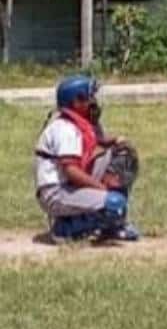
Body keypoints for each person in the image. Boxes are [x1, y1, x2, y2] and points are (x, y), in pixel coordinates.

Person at [34, 75, 140, 243]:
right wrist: (101, 189)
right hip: (56, 193)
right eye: (89, 97)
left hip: (67, 186)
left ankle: (115, 224)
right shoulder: (65, 129)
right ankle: (65, 229)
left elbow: (93, 142)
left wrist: (111, 141)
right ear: (76, 102)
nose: (93, 102)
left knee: (122, 153)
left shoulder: (77, 122)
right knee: (113, 202)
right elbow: (71, 172)